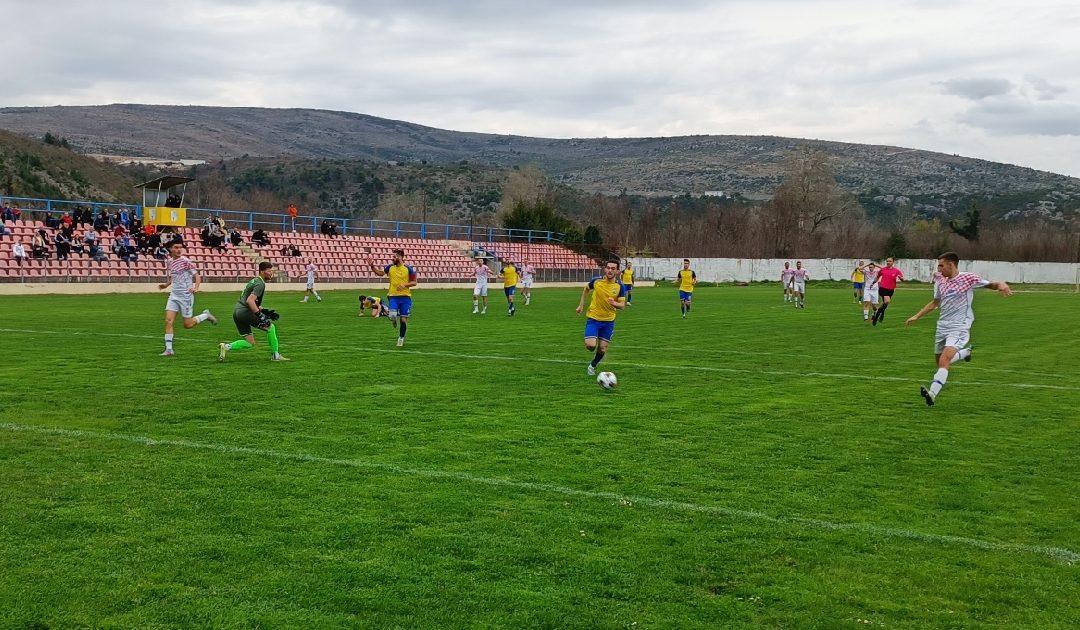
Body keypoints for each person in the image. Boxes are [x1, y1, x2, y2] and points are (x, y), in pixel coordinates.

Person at [905, 252, 1012, 406]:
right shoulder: (940, 280)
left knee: (944, 360)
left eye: (941, 265)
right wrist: (917, 315)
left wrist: (1001, 284)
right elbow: (935, 302)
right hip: (942, 326)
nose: (939, 269)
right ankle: (965, 353)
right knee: (940, 362)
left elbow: (990, 284)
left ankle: (932, 394)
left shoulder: (967, 278)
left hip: (960, 326)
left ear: (951, 264)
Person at [218, 261, 290, 362]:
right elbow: (250, 301)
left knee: (250, 342)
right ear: (262, 271)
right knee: (270, 327)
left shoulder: (254, 281)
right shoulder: (260, 283)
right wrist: (260, 315)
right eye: (269, 271)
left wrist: (264, 310)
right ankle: (275, 355)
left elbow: (248, 300)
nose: (271, 273)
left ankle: (226, 347)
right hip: (244, 312)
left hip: (237, 312)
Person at [158, 241, 217, 356]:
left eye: (180, 247)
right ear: (170, 249)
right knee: (168, 321)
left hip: (186, 296)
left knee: (187, 325)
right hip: (174, 295)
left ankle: (205, 315)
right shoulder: (170, 262)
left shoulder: (185, 261)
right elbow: (174, 277)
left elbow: (197, 275)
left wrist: (196, 287)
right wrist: (166, 285)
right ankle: (169, 349)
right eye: (176, 247)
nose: (179, 249)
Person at [576, 259, 628, 376]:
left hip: (608, 322)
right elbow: (586, 289)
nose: (610, 270)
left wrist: (615, 304)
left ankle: (592, 365)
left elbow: (622, 305)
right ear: (605, 269)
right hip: (593, 319)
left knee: (602, 349)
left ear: (617, 271)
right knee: (591, 346)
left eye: (613, 268)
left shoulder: (620, 286)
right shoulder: (596, 281)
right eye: (608, 268)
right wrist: (581, 305)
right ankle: (590, 339)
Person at [366, 249, 417, 347]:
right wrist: (372, 266)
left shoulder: (408, 269)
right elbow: (380, 273)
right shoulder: (390, 267)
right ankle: (393, 320)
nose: (392, 258)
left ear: (400, 257)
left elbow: (414, 282)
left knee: (403, 320)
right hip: (393, 296)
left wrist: (405, 285)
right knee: (393, 316)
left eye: (394, 257)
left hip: (405, 298)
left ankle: (401, 338)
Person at [872, 257, 906, 325]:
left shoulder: (896, 271)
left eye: (890, 261)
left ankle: (878, 314)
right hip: (883, 288)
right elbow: (878, 276)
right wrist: (873, 282)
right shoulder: (883, 269)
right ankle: (877, 316)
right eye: (887, 261)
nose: (888, 262)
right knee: (887, 301)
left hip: (891, 289)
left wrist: (901, 278)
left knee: (885, 304)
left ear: (893, 262)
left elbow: (902, 279)